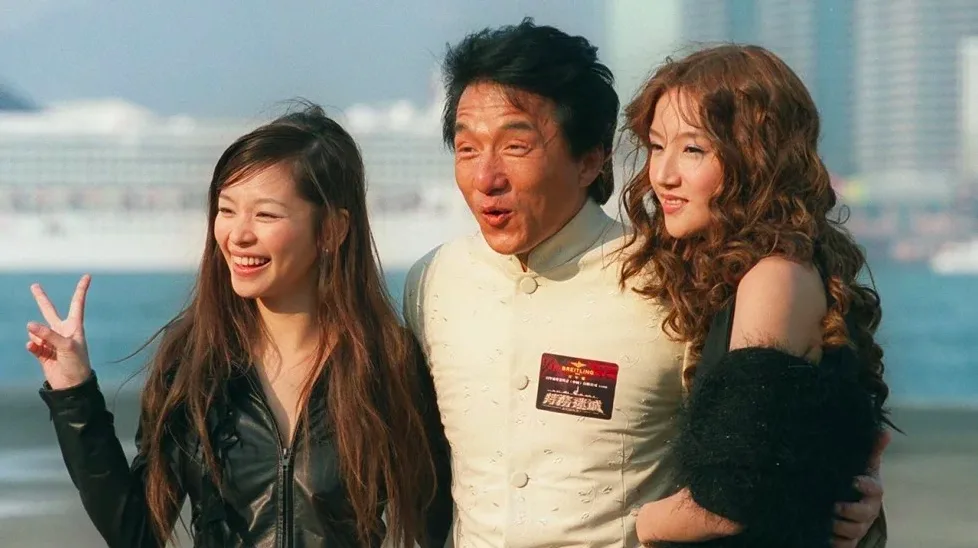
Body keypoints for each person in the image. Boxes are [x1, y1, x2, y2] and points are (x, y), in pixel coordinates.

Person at [402, 19, 884, 548]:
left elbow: (768, 446)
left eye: (516, 147)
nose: (485, 179)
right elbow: (417, 466)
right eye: (467, 149)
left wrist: (852, 503)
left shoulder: (675, 280)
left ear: (591, 160)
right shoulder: (432, 282)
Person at [26, 104, 452, 548]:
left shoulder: (386, 362)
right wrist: (74, 395)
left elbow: (437, 523)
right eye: (226, 210)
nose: (237, 235)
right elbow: (138, 533)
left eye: (265, 215)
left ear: (331, 230)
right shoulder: (195, 364)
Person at [618, 44, 892, 547]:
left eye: (693, 150)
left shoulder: (774, 278)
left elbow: (728, 500)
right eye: (657, 146)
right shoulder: (755, 271)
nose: (663, 175)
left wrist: (642, 526)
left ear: (757, 157)